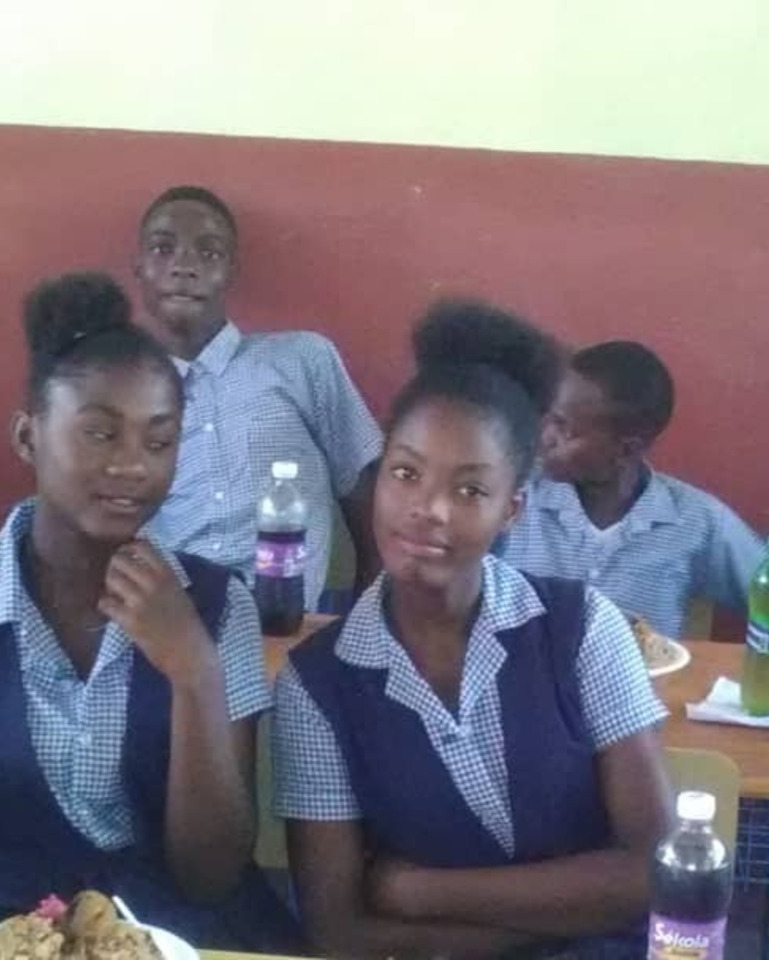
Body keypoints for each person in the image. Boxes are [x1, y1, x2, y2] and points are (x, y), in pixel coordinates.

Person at [273, 299, 673, 960]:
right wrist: (563, 918)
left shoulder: (583, 631)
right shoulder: (318, 684)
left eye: (469, 491)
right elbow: (338, 934)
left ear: (512, 508)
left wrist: (422, 893)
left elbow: (657, 872)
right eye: (405, 474)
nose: (427, 510)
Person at [0, 273, 299, 950]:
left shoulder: (217, 607)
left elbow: (211, 875)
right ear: (26, 437)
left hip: (176, 933)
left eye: (158, 442)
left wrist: (195, 673)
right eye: (101, 434)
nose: (133, 466)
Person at [134, 185, 383, 611]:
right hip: (169, 626)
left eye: (208, 253)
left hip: (288, 622)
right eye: (162, 248)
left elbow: (367, 494)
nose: (183, 266)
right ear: (138, 267)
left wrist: (367, 611)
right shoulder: (124, 389)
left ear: (232, 271)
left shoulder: (302, 360)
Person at [501, 340, 767, 639]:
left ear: (626, 451)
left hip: (644, 683)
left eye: (564, 428)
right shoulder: (515, 494)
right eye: (547, 417)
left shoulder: (697, 521)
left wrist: (730, 670)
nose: (545, 435)